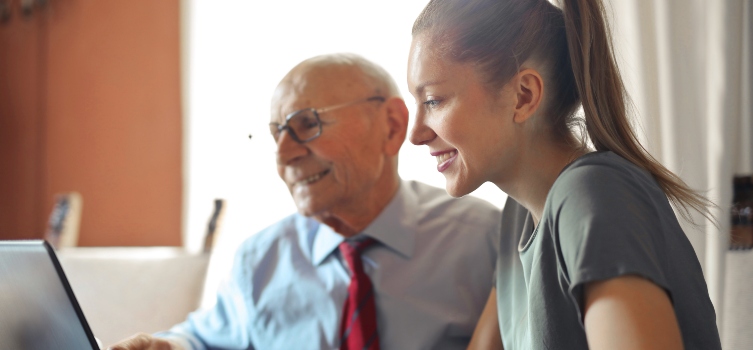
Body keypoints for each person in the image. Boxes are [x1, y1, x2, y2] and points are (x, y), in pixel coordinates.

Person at [108, 53, 501, 350]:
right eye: (276, 133)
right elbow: (204, 338)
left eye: (306, 125)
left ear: (392, 126)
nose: (283, 154)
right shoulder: (260, 260)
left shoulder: (487, 241)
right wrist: (171, 346)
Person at [406, 0, 721, 349]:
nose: (416, 134)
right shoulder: (519, 217)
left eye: (433, 101)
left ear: (523, 96)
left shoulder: (593, 195)